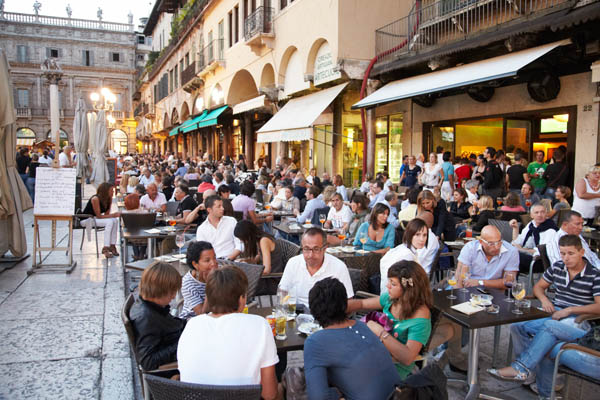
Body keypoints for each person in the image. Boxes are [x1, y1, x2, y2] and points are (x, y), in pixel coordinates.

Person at [488, 235, 600, 400]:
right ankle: (530, 370)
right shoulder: (558, 267)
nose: (566, 258)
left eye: (571, 253)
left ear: (581, 252)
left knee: (550, 330)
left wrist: (570, 310)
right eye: (562, 253)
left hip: (579, 319)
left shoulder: (594, 275)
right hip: (555, 313)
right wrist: (545, 299)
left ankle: (522, 367)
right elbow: (539, 287)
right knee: (517, 326)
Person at [177, 267, 279, 400]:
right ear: (242, 299)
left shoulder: (191, 325)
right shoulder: (260, 325)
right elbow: (269, 394)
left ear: (208, 297)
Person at [304, 278, 401, 399]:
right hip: (400, 395)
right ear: (345, 305)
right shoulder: (362, 325)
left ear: (313, 311)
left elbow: (318, 397)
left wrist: (337, 392)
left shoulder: (315, 342)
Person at [347, 261, 432, 379]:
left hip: (391, 369)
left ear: (408, 289)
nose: (388, 286)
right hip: (372, 357)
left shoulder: (420, 317)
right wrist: (337, 307)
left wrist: (381, 333)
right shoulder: (392, 299)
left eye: (393, 283)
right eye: (389, 281)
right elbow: (361, 303)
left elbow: (407, 357)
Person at [130, 262, 185, 371]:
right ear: (160, 290)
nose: (174, 296)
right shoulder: (146, 318)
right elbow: (147, 361)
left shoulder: (150, 304)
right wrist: (184, 343)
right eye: (172, 292)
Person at [279, 228, 354, 307]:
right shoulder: (293, 263)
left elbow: (348, 301)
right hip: (298, 314)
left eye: (316, 249)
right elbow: (282, 291)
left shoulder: (339, 267)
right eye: (306, 249)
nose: (310, 255)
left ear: (325, 249)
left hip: (327, 316)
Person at [380, 218, 437, 293]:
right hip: (394, 299)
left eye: (424, 235)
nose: (422, 239)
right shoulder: (407, 255)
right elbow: (405, 284)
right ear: (410, 234)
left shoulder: (403, 248)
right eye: (417, 235)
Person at [234, 220, 284, 295]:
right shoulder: (261, 239)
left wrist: (251, 273)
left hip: (271, 280)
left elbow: (267, 270)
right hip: (266, 279)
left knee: (239, 285)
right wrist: (246, 260)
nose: (243, 242)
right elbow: (260, 257)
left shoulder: (264, 241)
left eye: (243, 239)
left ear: (248, 235)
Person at [510, 203, 558, 275]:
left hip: (540, 261)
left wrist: (521, 250)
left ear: (546, 214)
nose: (539, 215)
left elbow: (541, 251)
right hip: (526, 256)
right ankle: (509, 282)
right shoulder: (531, 225)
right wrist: (515, 228)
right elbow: (517, 241)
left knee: (513, 257)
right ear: (531, 215)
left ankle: (509, 283)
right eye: (536, 212)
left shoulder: (550, 230)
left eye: (542, 212)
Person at [195, 195, 242, 260]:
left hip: (231, 261)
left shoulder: (231, 221)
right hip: (212, 263)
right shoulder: (201, 229)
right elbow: (202, 251)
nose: (223, 208)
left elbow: (240, 244)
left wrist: (228, 259)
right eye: (219, 206)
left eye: (222, 206)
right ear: (209, 210)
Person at [180, 241, 218, 319]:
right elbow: (202, 315)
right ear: (195, 264)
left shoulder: (221, 273)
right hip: (193, 321)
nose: (213, 263)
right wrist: (210, 285)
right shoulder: (188, 283)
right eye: (207, 260)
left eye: (214, 258)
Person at [81, 182, 120, 258]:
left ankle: (112, 245)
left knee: (115, 221)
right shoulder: (95, 199)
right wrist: (113, 215)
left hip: (94, 218)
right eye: (111, 190)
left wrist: (113, 216)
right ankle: (105, 247)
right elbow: (99, 216)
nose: (113, 192)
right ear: (105, 191)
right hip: (87, 219)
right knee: (110, 221)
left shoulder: (109, 199)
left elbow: (106, 215)